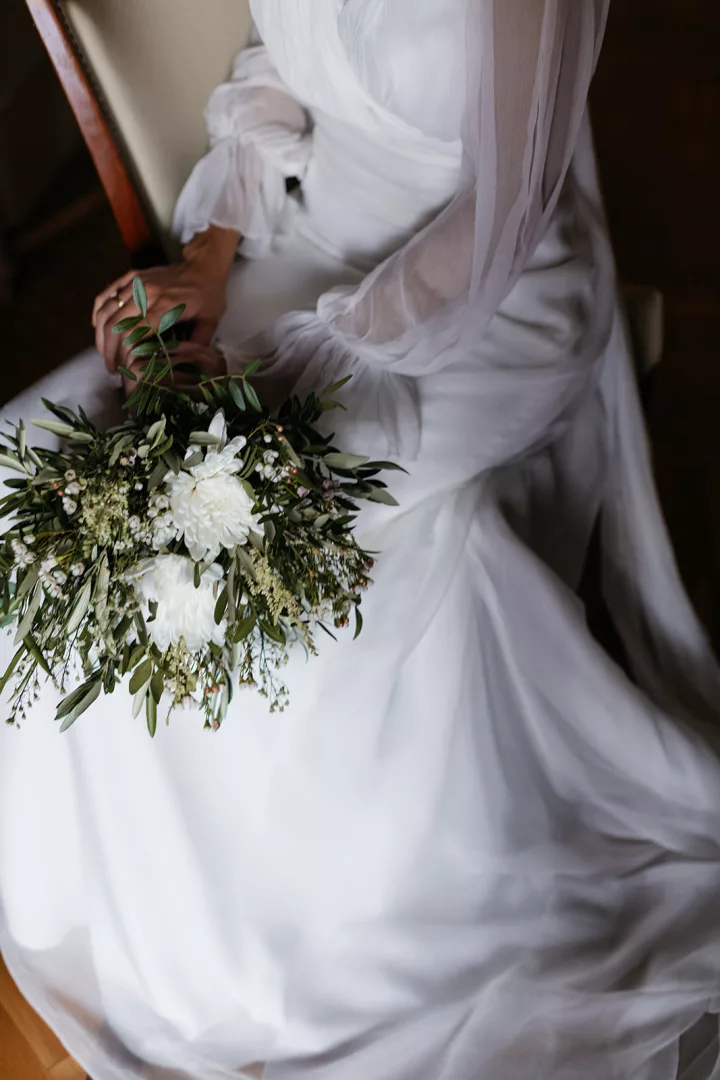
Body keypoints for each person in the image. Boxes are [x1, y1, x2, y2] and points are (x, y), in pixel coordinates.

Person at [2, 2, 720, 1077]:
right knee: (27, 467)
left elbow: (504, 207)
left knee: (327, 548)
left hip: (485, 292)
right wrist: (208, 258)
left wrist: (304, 350)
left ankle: (316, 951)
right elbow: (275, 68)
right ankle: (143, 921)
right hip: (310, 242)